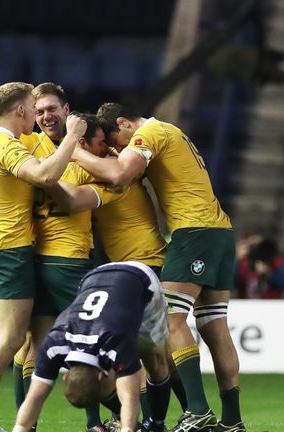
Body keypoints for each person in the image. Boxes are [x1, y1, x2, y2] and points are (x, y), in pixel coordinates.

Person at [72, 103, 244, 431]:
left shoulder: (149, 132)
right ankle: (232, 420)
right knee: (213, 326)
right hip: (219, 232)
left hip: (194, 233)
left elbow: (121, 173)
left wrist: (72, 151)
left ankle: (198, 412)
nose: (120, 150)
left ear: (124, 122)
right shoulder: (171, 132)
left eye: (118, 142)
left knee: (170, 320)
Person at [0, 83, 113, 432]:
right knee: (68, 339)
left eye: (50, 109)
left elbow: (112, 179)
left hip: (36, 254)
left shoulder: (81, 148)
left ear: (67, 110)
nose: (43, 115)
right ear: (26, 112)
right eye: (38, 109)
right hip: (53, 258)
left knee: (29, 341)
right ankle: (96, 421)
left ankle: (25, 423)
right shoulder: (29, 143)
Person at [13, 262, 172, 432]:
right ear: (66, 376)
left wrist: (127, 428)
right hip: (93, 276)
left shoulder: (116, 342)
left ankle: (157, 424)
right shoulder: (54, 342)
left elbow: (130, 398)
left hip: (141, 278)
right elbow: (33, 399)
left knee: (153, 358)